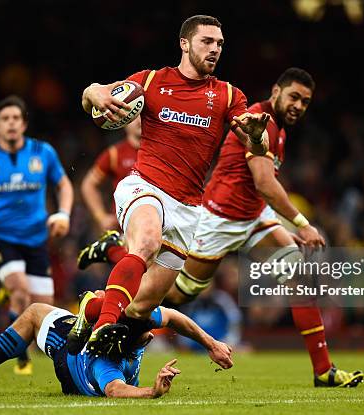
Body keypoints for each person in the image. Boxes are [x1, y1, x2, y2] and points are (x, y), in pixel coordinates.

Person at [76, 15, 270, 355]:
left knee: (140, 305)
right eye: (206, 41)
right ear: (185, 43)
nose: (214, 49)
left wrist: (256, 136)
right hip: (144, 186)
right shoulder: (150, 81)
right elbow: (89, 99)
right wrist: (95, 91)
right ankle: (104, 327)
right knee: (147, 241)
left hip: (188, 209)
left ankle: (93, 309)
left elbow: (258, 143)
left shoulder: (228, 95)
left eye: (219, 44)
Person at [163, 68, 363, 387]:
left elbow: (259, 190)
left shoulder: (281, 127)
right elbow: (265, 183)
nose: (299, 105)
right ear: (276, 92)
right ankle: (119, 283)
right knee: (178, 293)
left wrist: (280, 227)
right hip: (219, 220)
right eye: (294, 96)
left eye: (306, 101)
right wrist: (303, 223)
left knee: (300, 279)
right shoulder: (260, 120)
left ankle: (323, 371)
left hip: (255, 218)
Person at [0, 291, 233, 398]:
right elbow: (114, 390)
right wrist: (152, 391)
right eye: (148, 332)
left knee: (34, 313)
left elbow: (173, 316)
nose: (152, 332)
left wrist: (211, 343)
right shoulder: (110, 359)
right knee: (34, 313)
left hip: (76, 364)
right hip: (80, 357)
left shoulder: (115, 350)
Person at [0, 95, 73, 375]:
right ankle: (21, 356)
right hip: (1, 236)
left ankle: (9, 296)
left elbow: (63, 184)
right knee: (20, 292)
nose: (11, 124)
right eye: (5, 119)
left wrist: (63, 214)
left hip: (36, 239)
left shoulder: (42, 152)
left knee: (43, 308)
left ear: (24, 124)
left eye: (16, 118)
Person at [76, 117, 141, 269]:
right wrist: (101, 217)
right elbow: (88, 184)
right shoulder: (115, 154)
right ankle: (112, 250)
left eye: (142, 116)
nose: (139, 121)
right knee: (133, 275)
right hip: (125, 229)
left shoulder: (159, 151)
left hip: (157, 223)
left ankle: (109, 250)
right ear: (125, 123)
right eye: (134, 117)